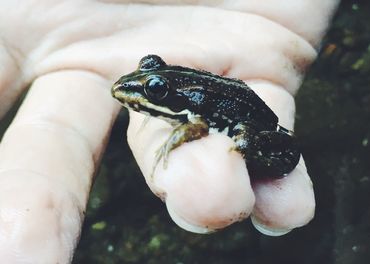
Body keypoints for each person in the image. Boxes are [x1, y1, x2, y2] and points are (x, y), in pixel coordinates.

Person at [0, 1, 339, 263]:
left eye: (156, 87)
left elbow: (198, 125)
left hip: (255, 123)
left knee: (245, 145)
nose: (139, 86)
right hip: (244, 102)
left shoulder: (191, 113)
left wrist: (179, 138)